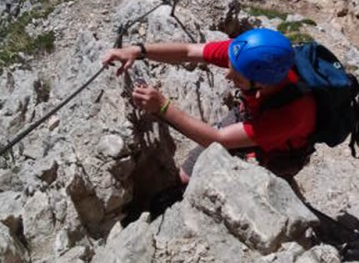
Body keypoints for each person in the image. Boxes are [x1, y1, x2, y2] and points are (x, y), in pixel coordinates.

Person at [102, 28, 317, 185]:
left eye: (237, 77)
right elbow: (188, 51)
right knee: (186, 176)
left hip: (279, 150)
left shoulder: (293, 114)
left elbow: (218, 139)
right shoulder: (246, 55)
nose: (227, 74)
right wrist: (137, 50)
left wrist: (162, 106)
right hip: (251, 116)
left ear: (261, 83)